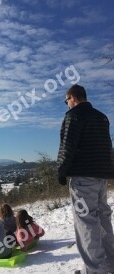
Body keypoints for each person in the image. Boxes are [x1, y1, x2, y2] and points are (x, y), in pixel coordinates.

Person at [57, 84, 114, 274]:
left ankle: (95, 269)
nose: (67, 105)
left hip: (82, 178)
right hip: (101, 177)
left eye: (67, 101)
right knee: (103, 218)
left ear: (73, 97)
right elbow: (108, 147)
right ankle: (111, 263)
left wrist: (61, 171)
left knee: (86, 222)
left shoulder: (73, 116)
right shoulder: (102, 117)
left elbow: (67, 146)